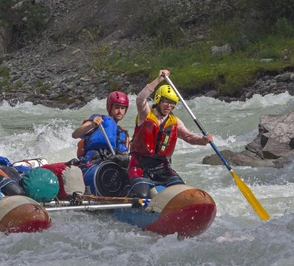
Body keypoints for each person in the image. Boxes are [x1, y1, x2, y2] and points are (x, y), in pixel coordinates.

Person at [128, 70, 212, 198]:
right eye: (166, 101)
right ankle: (131, 194)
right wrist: (159, 79)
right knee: (142, 194)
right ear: (159, 99)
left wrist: (203, 140)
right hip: (140, 165)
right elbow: (140, 99)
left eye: (172, 103)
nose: (169, 105)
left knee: (182, 193)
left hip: (162, 167)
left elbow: (188, 137)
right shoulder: (145, 114)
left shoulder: (175, 122)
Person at [71, 91, 131, 167]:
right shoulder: (98, 119)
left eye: (122, 108)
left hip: (113, 165)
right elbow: (75, 134)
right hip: (93, 161)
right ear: (110, 107)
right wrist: (92, 125)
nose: (120, 111)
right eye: (116, 107)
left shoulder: (122, 133)